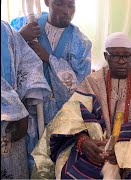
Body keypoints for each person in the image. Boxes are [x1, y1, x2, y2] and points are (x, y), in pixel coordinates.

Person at [31, 32, 131, 179]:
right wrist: (83, 141)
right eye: (115, 56)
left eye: (126, 56)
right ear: (106, 56)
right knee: (71, 173)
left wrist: (124, 147)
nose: (122, 61)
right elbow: (70, 115)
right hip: (99, 151)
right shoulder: (92, 82)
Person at [10, 0, 92, 171]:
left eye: (71, 5)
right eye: (60, 4)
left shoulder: (81, 42)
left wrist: (49, 58)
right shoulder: (22, 26)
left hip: (61, 115)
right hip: (28, 113)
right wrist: (20, 38)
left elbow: (81, 85)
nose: (66, 11)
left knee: (58, 165)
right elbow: (6, 62)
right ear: (47, 2)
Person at [1, 20, 50, 179]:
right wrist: (17, 110)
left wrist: (24, 108)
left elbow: (27, 64)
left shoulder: (6, 28)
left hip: (14, 124)